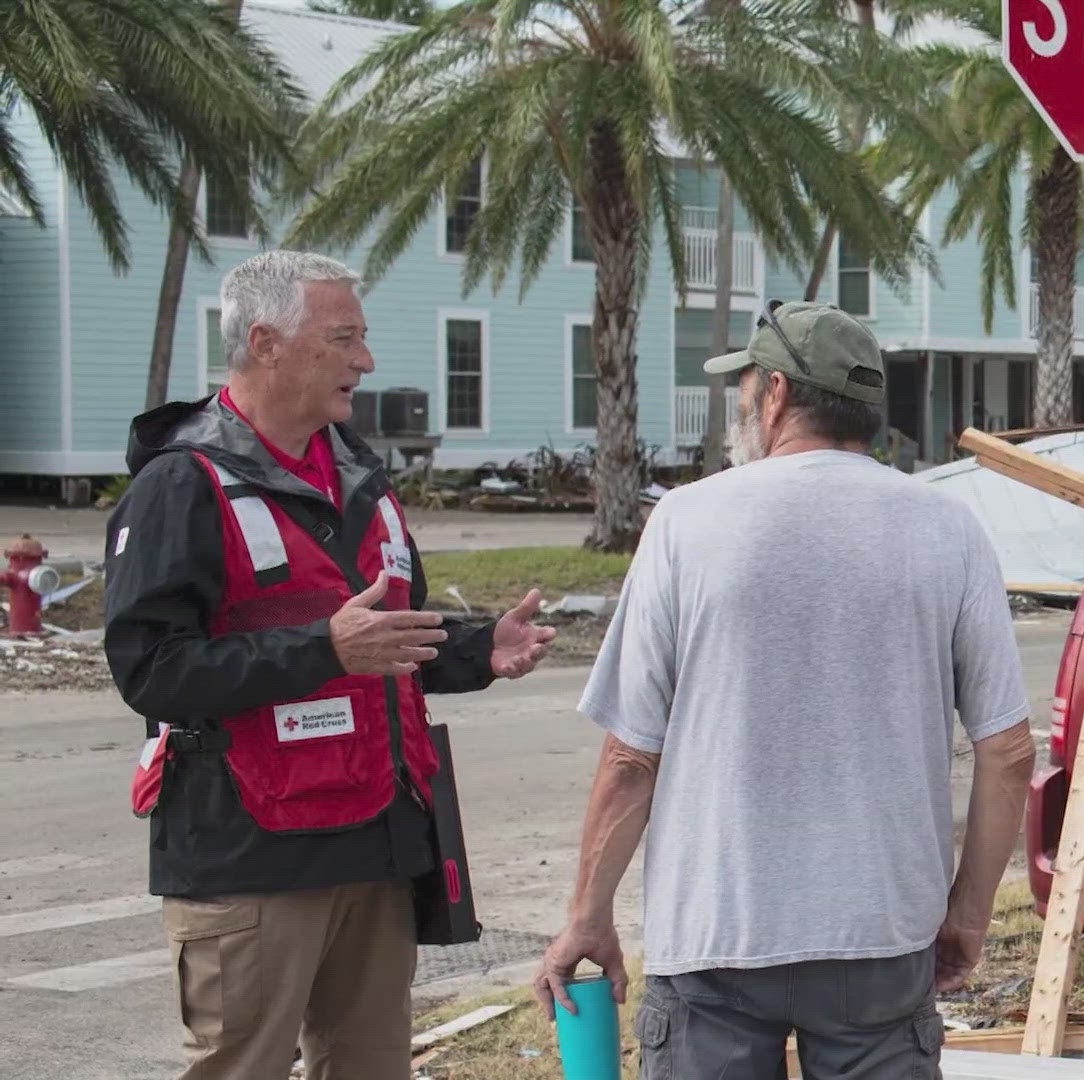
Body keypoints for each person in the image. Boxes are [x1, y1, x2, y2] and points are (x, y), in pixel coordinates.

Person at [537, 301, 1037, 1078]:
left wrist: (587, 917)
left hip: (715, 939)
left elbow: (632, 758)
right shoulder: (949, 529)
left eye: (742, 390)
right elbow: (1006, 752)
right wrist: (966, 916)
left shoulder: (685, 522)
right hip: (880, 936)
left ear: (774, 394)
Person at [104, 250, 557, 1080]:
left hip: (376, 846)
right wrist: (323, 651)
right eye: (344, 337)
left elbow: (386, 634)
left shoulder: (359, 474)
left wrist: (476, 649)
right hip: (250, 858)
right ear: (267, 343)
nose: (367, 361)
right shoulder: (181, 485)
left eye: (364, 336)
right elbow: (152, 671)